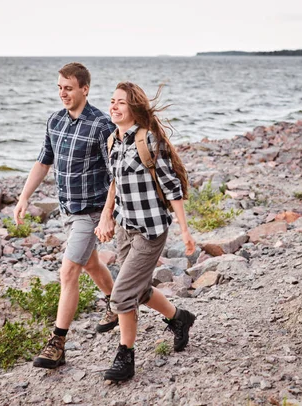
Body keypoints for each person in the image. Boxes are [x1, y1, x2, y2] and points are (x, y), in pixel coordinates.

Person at [13, 63, 118, 370]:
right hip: (68, 210)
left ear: (85, 89)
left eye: (68, 88)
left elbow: (116, 174)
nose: (63, 93)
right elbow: (43, 162)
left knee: (69, 270)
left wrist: (107, 215)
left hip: (93, 210)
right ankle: (119, 303)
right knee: (89, 262)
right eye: (59, 87)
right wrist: (23, 197)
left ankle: (57, 343)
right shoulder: (55, 121)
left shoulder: (101, 124)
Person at [94, 81, 197, 382]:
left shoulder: (149, 141)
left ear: (134, 108)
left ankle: (125, 357)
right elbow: (114, 182)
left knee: (122, 295)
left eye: (120, 102)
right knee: (138, 291)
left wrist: (185, 231)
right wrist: (107, 216)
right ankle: (180, 319)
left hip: (151, 230)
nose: (113, 106)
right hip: (126, 227)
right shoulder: (113, 141)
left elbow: (172, 188)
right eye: (111, 101)